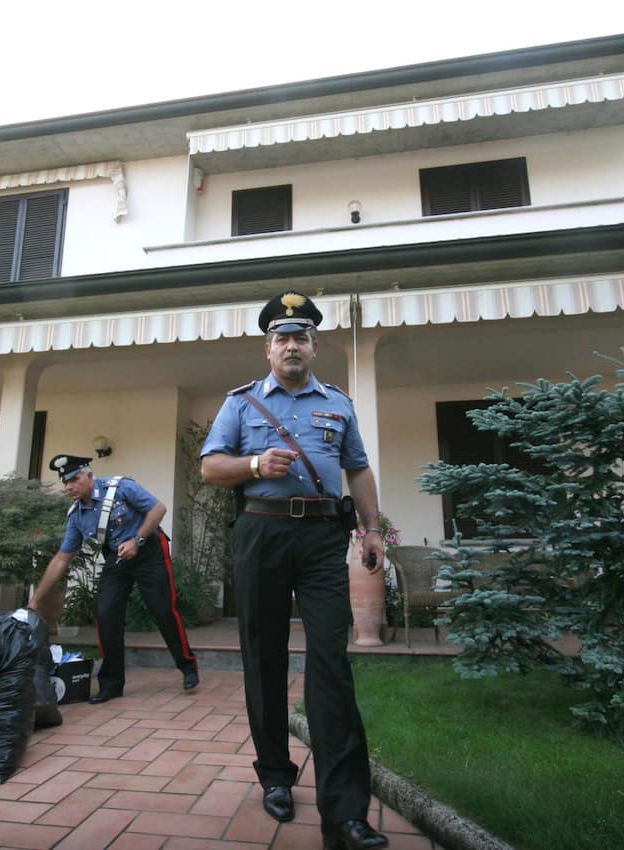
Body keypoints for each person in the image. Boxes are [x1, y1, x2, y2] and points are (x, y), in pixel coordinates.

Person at [200, 292, 388, 850]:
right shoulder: (240, 403)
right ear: (268, 348)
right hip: (261, 532)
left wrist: (372, 528)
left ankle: (346, 813)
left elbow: (357, 468)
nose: (291, 345)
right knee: (264, 657)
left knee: (331, 660)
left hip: (323, 536)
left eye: (300, 336)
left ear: (313, 345)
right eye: (282, 337)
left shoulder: (339, 403)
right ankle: (276, 775)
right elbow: (211, 467)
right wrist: (256, 464)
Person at [31, 454, 199, 703]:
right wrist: (36, 601)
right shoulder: (76, 515)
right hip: (117, 556)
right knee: (106, 615)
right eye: (65, 483)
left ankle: (187, 666)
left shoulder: (121, 487)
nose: (68, 487)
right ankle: (111, 684)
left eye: (74, 479)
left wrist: (137, 540)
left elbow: (158, 509)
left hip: (149, 548)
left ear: (89, 476)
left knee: (163, 610)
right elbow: (61, 559)